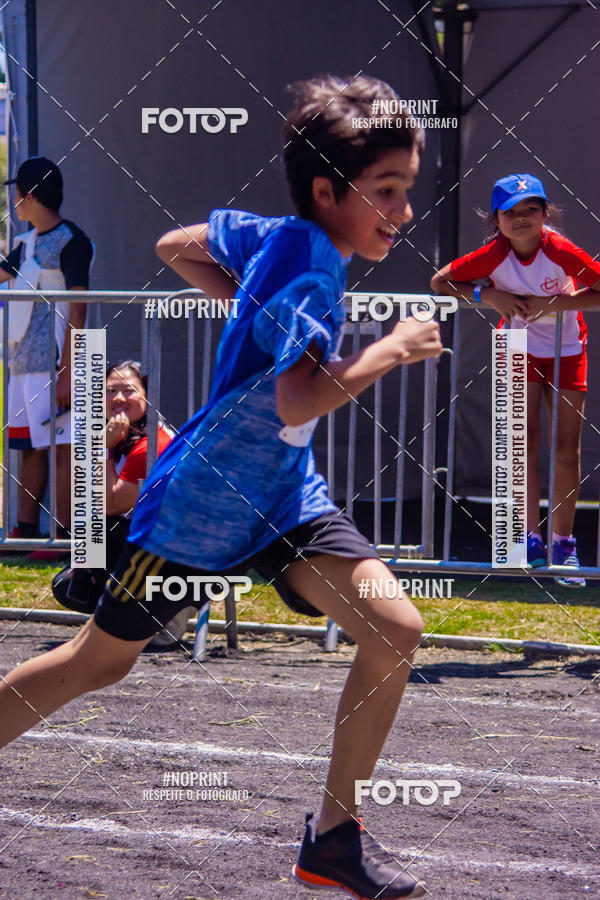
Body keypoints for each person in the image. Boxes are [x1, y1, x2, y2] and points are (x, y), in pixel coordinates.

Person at [0, 75, 443, 899]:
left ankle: (334, 841)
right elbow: (299, 396)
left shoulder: (273, 234)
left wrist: (253, 316)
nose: (404, 212)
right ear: (327, 189)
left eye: (407, 190)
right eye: (387, 191)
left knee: (394, 623)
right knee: (94, 664)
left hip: (284, 498)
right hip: (201, 508)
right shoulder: (311, 271)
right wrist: (394, 347)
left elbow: (176, 245)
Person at [431, 173, 600, 587]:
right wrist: (486, 296)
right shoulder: (492, 255)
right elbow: (439, 281)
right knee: (522, 446)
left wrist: (557, 303)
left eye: (531, 209)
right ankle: (529, 540)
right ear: (497, 219)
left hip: (567, 352)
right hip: (517, 349)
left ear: (545, 213)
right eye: (511, 212)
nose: (521, 218)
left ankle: (563, 543)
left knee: (566, 449)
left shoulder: (559, 249)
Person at [53, 361, 190, 646]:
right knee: (70, 584)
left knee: (101, 532)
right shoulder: (122, 436)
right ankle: (127, 619)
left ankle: (166, 613)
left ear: (146, 396)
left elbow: (110, 504)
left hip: (178, 552)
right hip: (151, 543)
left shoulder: (151, 442)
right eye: (110, 391)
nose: (117, 398)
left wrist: (102, 447)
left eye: (128, 391)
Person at [0, 156, 93, 559]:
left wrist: (69, 371)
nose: (14, 203)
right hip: (23, 362)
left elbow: (79, 308)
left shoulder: (73, 240)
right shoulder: (25, 244)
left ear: (29, 195)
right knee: (28, 448)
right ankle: (24, 533)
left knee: (63, 447)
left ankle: (66, 536)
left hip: (57, 362)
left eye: (17, 194)